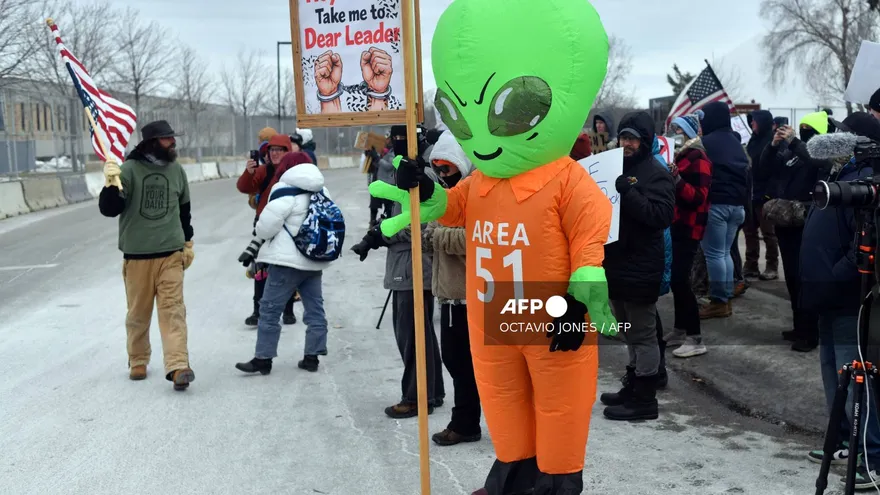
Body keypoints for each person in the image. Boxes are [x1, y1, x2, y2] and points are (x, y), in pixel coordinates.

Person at [801, 112, 880, 488]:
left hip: (848, 298)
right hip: (824, 295)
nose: (835, 139)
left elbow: (864, 246)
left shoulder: (866, 182)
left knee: (859, 380)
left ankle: (873, 455)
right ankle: (846, 438)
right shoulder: (838, 176)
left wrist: (834, 275)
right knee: (833, 374)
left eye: (845, 135)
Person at [352, 127, 445, 419]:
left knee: (412, 334)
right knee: (422, 333)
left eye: (402, 138)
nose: (396, 143)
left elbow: (420, 223)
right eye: (394, 138)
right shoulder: (404, 169)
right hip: (407, 265)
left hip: (415, 266)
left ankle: (416, 397)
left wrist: (380, 234)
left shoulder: (423, 173)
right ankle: (433, 391)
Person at [98, 120, 196, 391]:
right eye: (167, 139)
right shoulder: (127, 170)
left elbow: (184, 209)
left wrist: (187, 242)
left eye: (172, 138)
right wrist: (110, 184)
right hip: (138, 254)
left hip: (170, 254)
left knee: (173, 310)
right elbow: (110, 209)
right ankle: (138, 359)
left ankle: (178, 366)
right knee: (138, 314)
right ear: (152, 142)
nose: (172, 143)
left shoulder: (177, 171)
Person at [599, 112, 675, 421]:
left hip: (642, 264)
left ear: (645, 141)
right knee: (627, 329)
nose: (627, 143)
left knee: (644, 335)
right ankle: (632, 384)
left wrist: (628, 192)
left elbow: (661, 216)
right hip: (616, 262)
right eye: (623, 137)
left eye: (633, 138)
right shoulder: (613, 166)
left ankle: (645, 397)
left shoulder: (656, 173)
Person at [234, 161, 336, 374]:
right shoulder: (322, 193)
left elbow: (265, 227)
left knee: (269, 310)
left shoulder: (285, 195)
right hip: (313, 261)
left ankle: (263, 358)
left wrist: (258, 242)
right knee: (315, 310)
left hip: (286, 264)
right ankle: (312, 357)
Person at [426, 131, 482, 446]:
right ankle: (466, 420)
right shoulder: (445, 195)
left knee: (462, 362)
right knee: (455, 360)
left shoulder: (475, 192)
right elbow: (429, 228)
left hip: (469, 295)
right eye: (437, 169)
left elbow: (476, 238)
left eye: (447, 169)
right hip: (449, 294)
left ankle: (465, 422)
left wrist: (437, 237)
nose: (442, 176)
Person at [757, 112, 830, 352]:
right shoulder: (790, 154)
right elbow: (764, 168)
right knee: (791, 277)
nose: (804, 131)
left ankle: (810, 333)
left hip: (807, 225)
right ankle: (799, 326)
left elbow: (815, 160)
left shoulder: (818, 152)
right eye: (802, 128)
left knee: (803, 279)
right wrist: (774, 145)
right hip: (786, 222)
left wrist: (795, 142)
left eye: (810, 128)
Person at [236, 133, 299, 326]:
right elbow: (244, 187)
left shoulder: (295, 172)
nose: (275, 154)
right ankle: (258, 311)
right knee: (260, 270)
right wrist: (249, 172)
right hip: (263, 226)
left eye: (279, 150)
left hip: (287, 228)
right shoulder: (263, 171)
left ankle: (288, 310)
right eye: (272, 150)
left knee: (286, 269)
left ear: (287, 152)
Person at [664, 114, 712, 358]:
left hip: (690, 227)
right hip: (677, 223)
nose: (675, 133)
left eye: (679, 129)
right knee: (676, 279)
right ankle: (680, 329)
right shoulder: (680, 156)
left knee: (682, 281)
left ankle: (695, 338)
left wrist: (676, 179)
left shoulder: (698, 157)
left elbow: (697, 197)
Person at [697, 101, 750, 319]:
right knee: (724, 252)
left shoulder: (705, 143)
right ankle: (725, 298)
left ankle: (719, 301)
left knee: (715, 254)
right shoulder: (736, 142)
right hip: (737, 206)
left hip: (716, 205)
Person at [743, 110, 779, 281]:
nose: (752, 124)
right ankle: (751, 265)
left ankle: (772, 266)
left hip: (765, 194)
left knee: (768, 233)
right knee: (749, 231)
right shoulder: (752, 141)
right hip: (750, 193)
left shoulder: (773, 142)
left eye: (754, 121)